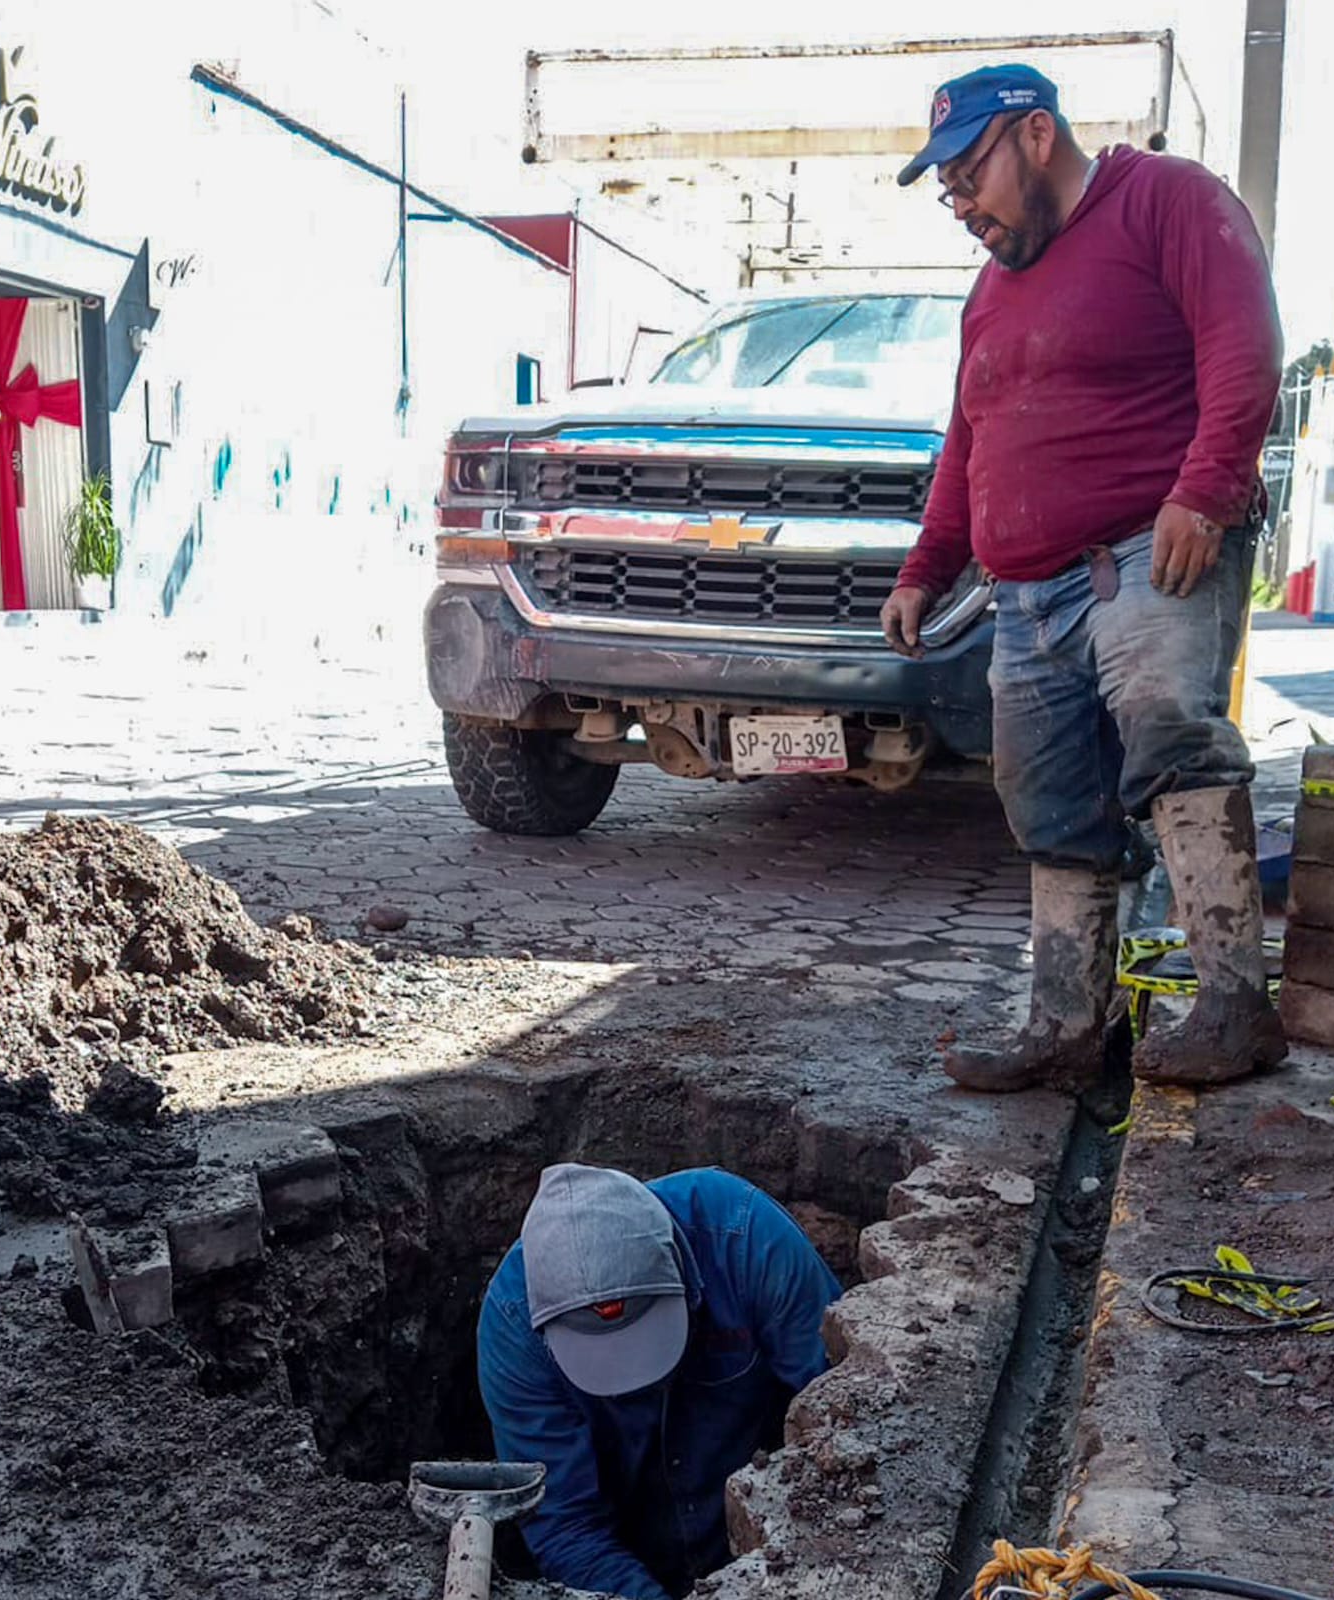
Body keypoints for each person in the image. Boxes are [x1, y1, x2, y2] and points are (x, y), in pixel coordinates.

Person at [880, 65, 1286, 1092]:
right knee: (1048, 799)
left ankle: (1235, 1007)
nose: (961, 205)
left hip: (1149, 548)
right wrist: (927, 567)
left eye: (969, 176)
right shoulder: (989, 294)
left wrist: (1206, 490)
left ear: (1036, 135)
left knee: (1171, 736)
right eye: (947, 190)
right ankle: (1067, 1026)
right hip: (1027, 595)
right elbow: (969, 443)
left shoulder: (1165, 199)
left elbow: (1242, 345)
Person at [477, 1162, 841, 1600]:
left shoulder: (746, 1239)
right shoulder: (515, 1326)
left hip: (773, 1553)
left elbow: (843, 1413)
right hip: (630, 1561)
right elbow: (566, 1526)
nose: (635, 1382)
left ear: (677, 1267)